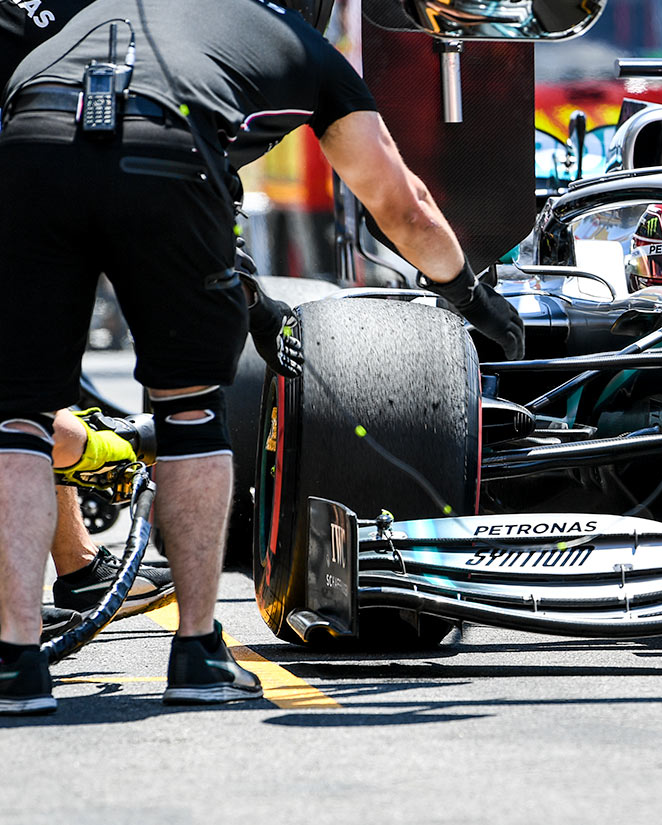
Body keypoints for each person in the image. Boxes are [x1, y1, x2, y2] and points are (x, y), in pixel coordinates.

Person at [0, 0, 525, 716]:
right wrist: (472, 299)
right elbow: (401, 205)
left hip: (30, 138)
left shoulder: (92, 17)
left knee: (20, 418)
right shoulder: (300, 48)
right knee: (188, 412)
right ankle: (196, 652)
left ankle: (16, 662)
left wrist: (246, 296)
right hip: (163, 144)